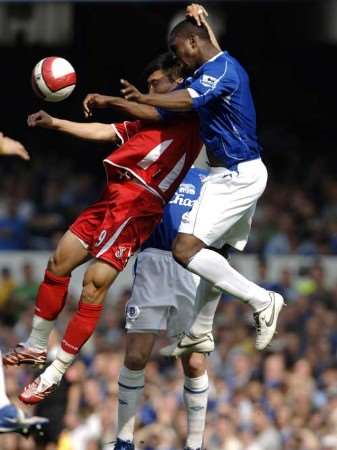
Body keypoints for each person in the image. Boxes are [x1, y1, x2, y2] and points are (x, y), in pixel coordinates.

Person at [3, 53, 203, 405]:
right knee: (58, 262)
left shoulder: (189, 113)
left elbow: (162, 106)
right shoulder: (147, 123)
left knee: (94, 285)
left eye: (156, 84)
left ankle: (54, 373)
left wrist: (114, 100)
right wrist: (55, 123)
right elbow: (104, 131)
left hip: (139, 204)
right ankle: (36, 345)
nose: (149, 90)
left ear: (177, 84)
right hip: (112, 197)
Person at [120, 4, 284, 354]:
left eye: (180, 50)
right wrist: (114, 101)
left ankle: (263, 300)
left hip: (237, 175)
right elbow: (162, 108)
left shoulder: (223, 70)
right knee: (215, 254)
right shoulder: (209, 66)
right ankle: (200, 331)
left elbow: (187, 97)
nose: (179, 60)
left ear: (193, 42)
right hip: (233, 174)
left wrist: (148, 94)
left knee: (185, 250)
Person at [112, 166, 221, 450]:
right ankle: (124, 440)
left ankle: (194, 445)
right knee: (136, 357)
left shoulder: (209, 179)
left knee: (195, 362)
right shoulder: (156, 168)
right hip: (153, 263)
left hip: (191, 265)